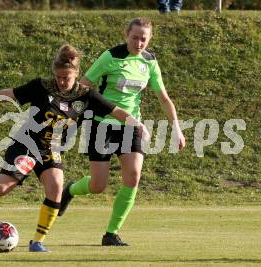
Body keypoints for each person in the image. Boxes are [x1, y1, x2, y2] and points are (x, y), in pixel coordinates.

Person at [0, 44, 149, 252]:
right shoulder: (41, 87)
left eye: (66, 78)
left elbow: (116, 111)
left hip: (51, 151)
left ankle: (37, 242)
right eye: (59, 77)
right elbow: (8, 94)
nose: (61, 81)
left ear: (76, 74)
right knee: (1, 189)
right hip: (27, 144)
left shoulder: (86, 95)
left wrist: (137, 124)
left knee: (56, 189)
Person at [57, 18, 186, 246]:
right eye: (135, 37)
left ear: (150, 39)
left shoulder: (150, 61)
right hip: (102, 125)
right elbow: (83, 86)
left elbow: (163, 98)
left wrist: (176, 128)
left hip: (131, 127)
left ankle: (111, 234)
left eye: (143, 39)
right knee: (98, 186)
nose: (139, 43)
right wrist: (70, 120)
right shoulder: (110, 57)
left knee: (133, 176)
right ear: (126, 34)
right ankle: (71, 190)